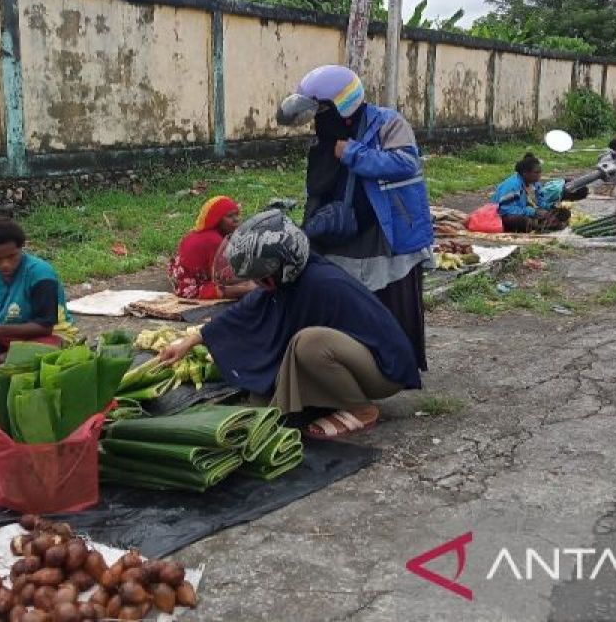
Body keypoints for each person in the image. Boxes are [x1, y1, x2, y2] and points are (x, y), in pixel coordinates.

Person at [157, 211, 421, 439]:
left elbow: (292, 344)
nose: (256, 284)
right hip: (357, 363)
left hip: (384, 373)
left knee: (309, 343)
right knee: (268, 387)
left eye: (260, 277)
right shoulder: (292, 280)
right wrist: (190, 341)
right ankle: (334, 400)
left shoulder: (321, 283)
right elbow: (245, 310)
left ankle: (361, 409)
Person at [275, 64, 434, 370]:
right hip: (336, 228)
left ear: (343, 103)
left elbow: (406, 163)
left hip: (383, 229)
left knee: (390, 297)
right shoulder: (329, 128)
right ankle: (351, 364)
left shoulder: (389, 122)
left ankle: (395, 366)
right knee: (339, 294)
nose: (319, 116)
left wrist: (353, 153)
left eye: (323, 108)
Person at [0, 217, 80, 373]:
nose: (5, 264)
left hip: (46, 334)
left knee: (7, 362)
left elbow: (44, 327)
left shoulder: (41, 274)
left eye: (11, 256)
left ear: (22, 248)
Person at [166, 195, 254, 300]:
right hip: (190, 289)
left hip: (181, 280)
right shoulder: (214, 240)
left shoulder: (200, 233)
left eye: (237, 215)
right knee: (252, 287)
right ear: (217, 220)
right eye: (230, 216)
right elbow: (225, 278)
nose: (236, 220)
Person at [492, 152, 583, 233]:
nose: (540, 175)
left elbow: (541, 202)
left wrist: (551, 206)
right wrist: (532, 212)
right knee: (522, 221)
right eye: (536, 172)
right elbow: (504, 209)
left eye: (540, 172)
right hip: (503, 216)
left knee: (564, 213)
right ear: (525, 173)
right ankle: (539, 225)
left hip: (528, 211)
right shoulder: (512, 186)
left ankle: (543, 224)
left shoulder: (535, 184)